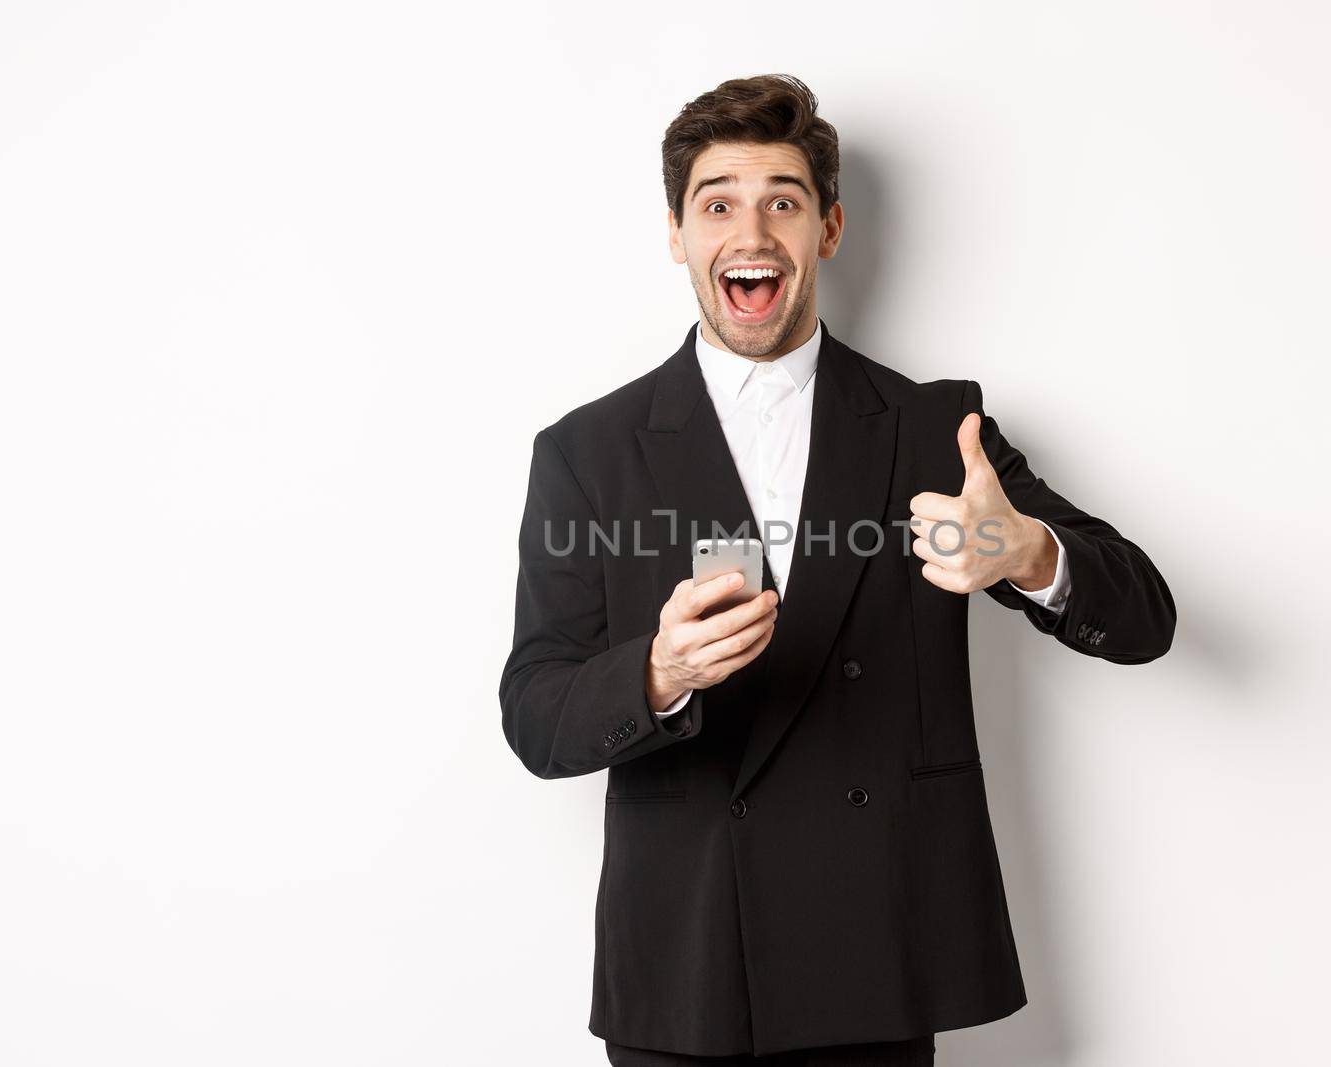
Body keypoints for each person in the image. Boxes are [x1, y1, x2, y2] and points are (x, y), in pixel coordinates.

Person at [499, 73, 1176, 1066]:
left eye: (782, 199)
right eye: (717, 202)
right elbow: (533, 712)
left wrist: (1031, 553)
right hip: (685, 972)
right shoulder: (589, 452)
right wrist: (657, 672)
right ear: (677, 234)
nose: (751, 229)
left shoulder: (932, 430)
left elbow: (1143, 617)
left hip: (875, 954)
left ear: (828, 227)